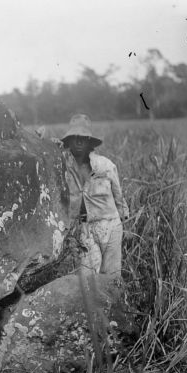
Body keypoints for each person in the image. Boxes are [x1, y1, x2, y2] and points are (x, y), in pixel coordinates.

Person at [61, 114, 129, 277]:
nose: (78, 141)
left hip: (111, 225)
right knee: (88, 278)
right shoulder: (63, 166)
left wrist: (124, 219)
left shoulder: (105, 165)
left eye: (83, 138)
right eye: (74, 137)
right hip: (86, 228)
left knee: (112, 278)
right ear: (68, 141)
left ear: (89, 141)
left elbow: (118, 197)